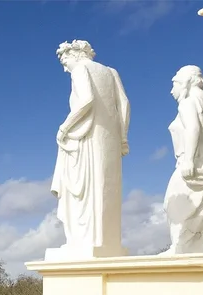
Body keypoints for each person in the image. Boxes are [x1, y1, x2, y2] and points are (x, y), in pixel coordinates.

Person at [49, 40, 130, 259]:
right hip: (109, 141)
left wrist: (64, 127)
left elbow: (86, 100)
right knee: (104, 188)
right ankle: (105, 243)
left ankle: (81, 241)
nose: (65, 67)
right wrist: (122, 137)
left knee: (82, 190)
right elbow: (124, 105)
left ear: (75, 54)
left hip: (85, 138)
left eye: (64, 60)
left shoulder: (81, 69)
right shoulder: (111, 72)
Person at [160, 65, 203, 255]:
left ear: (186, 82)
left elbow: (193, 129)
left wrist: (188, 160)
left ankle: (180, 248)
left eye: (175, 84)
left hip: (190, 162)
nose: (172, 90)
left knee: (173, 203)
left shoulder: (188, 102)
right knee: (200, 206)